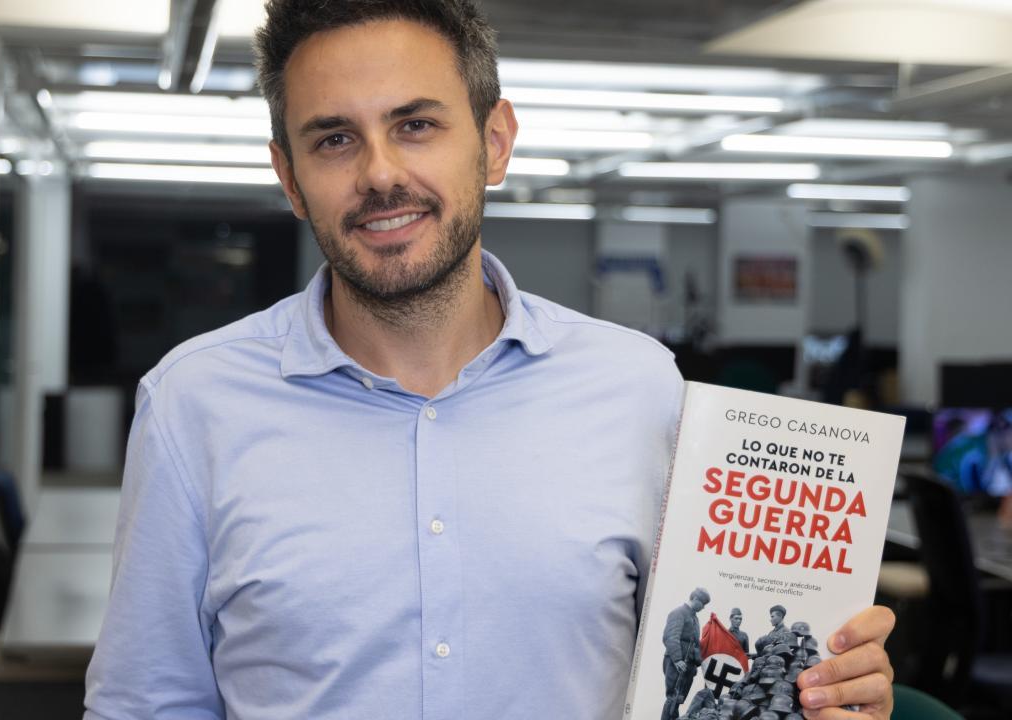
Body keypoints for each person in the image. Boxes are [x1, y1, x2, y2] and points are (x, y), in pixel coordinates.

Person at [83, 1, 897, 718]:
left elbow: (704, 681)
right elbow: (143, 705)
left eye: (415, 124)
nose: (380, 173)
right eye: (333, 139)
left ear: (495, 142)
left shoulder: (639, 389)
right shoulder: (195, 403)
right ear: (290, 180)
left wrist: (826, 693)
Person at [662, 588, 710, 720]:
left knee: (678, 699)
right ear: (695, 599)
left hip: (688, 666)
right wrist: (677, 659)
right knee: (673, 698)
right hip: (677, 664)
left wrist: (698, 662)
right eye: (703, 604)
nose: (703, 607)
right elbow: (671, 637)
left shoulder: (695, 618)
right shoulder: (678, 613)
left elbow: (695, 644)